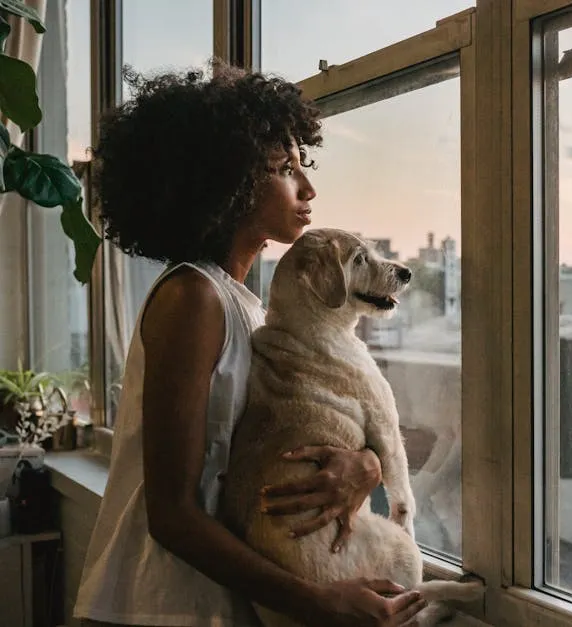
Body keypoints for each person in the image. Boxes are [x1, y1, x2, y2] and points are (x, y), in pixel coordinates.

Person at [73, 62, 427, 627]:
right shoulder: (194, 297)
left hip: (220, 595)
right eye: (285, 169)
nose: (308, 188)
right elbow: (172, 513)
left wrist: (365, 464)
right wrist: (316, 600)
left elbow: (263, 446)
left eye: (300, 165)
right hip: (161, 601)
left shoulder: (246, 305)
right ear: (226, 182)